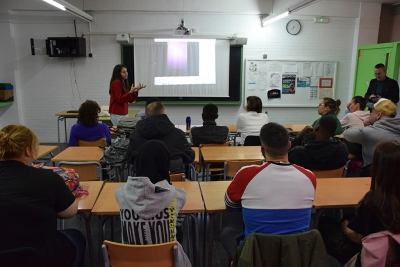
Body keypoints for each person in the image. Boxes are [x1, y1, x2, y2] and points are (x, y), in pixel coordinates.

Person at [222, 122, 316, 257]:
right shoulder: (309, 176)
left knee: (227, 232)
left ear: (262, 150)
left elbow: (230, 204)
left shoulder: (246, 174)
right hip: (295, 254)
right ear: (289, 146)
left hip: (256, 254)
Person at [0, 125, 86, 267]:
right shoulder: (47, 178)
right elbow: (69, 212)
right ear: (28, 150)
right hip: (42, 258)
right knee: (76, 236)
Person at [319, 140, 400, 265]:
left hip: (370, 254)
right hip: (395, 254)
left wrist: (345, 228)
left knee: (324, 223)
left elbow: (358, 238)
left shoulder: (374, 200)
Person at [115, 140, 191, 267]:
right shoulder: (178, 196)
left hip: (131, 262)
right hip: (168, 263)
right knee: (177, 227)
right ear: (165, 164)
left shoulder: (120, 193)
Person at [125, 101, 194, 174]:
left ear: (146, 116)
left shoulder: (135, 135)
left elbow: (130, 159)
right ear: (164, 115)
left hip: (144, 182)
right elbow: (189, 157)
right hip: (174, 182)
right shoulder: (178, 134)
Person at [343, 98, 400, 176]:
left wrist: (367, 126)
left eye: (372, 112)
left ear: (378, 115)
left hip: (372, 177)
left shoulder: (368, 133)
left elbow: (346, 134)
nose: (370, 114)